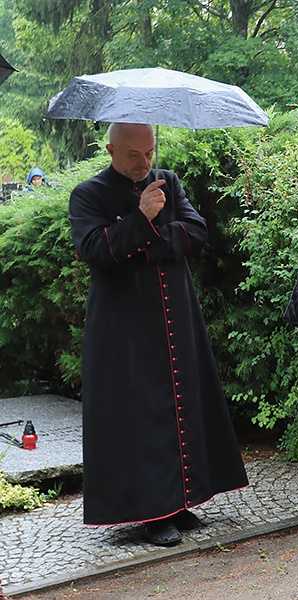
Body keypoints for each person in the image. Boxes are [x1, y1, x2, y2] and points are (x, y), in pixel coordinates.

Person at [69, 123, 249, 546]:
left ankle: (181, 500)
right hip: (125, 330)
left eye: (149, 152)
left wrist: (141, 241)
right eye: (134, 155)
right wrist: (143, 218)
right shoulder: (88, 195)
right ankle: (152, 512)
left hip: (176, 319)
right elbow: (96, 250)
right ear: (111, 150)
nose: (145, 163)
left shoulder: (168, 181)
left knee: (182, 404)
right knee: (141, 415)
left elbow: (195, 231)